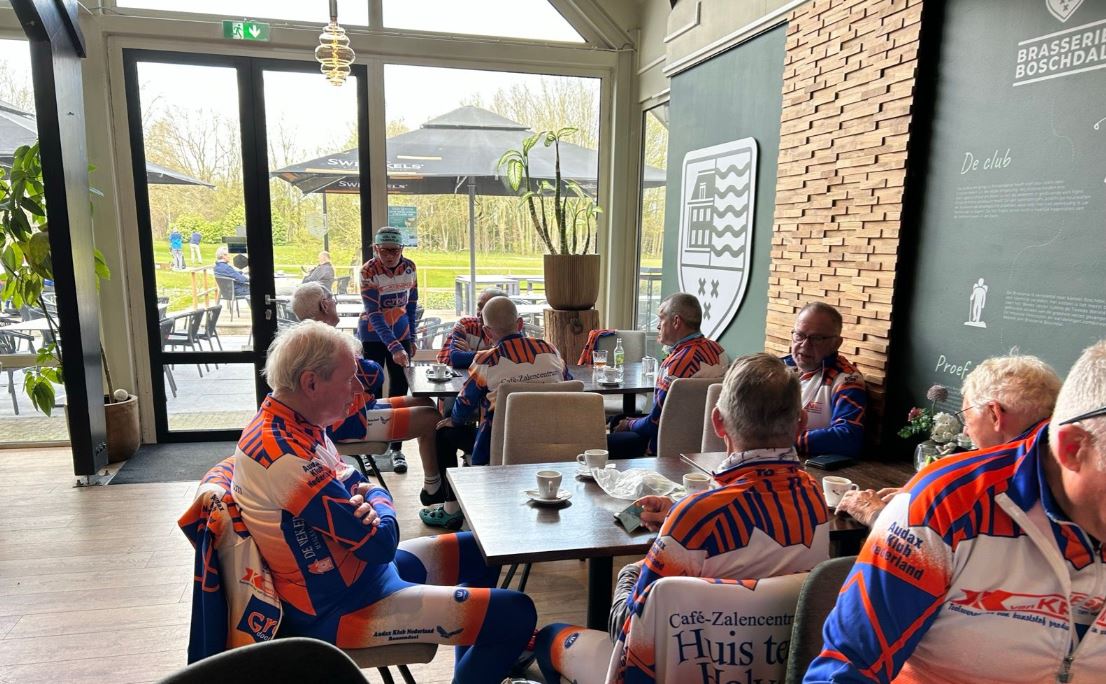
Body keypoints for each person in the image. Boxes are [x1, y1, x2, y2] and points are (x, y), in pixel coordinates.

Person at [231, 321, 537, 684]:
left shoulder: (295, 424)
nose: (358, 389)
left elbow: (354, 482)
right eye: (349, 379)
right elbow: (379, 543)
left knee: (483, 550)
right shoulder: (285, 457)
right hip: (343, 608)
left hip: (363, 577)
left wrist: (370, 497)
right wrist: (380, 497)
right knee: (515, 613)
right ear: (311, 383)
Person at [805, 339, 1106, 684]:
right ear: (1073, 448)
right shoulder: (945, 502)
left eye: (967, 416)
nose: (964, 430)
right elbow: (849, 666)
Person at [535, 353, 831, 683]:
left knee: (549, 637)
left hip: (679, 672)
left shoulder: (696, 517)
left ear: (718, 422)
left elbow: (625, 626)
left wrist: (633, 569)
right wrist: (681, 515)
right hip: (776, 669)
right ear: (801, 422)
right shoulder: (814, 498)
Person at [837, 354, 1062, 525]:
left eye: (967, 418)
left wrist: (874, 512)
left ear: (994, 414)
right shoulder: (1068, 461)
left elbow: (903, 544)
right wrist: (918, 498)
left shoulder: (955, 480)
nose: (965, 431)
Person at [421, 296, 571, 529]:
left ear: (486, 332)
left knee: (444, 433)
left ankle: (451, 510)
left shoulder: (487, 361)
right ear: (520, 324)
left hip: (501, 447)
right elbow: (568, 384)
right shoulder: (550, 350)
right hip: (554, 443)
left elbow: (464, 403)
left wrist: (455, 420)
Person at [293, 283, 446, 506]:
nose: (335, 303)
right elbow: (375, 377)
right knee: (432, 418)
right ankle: (435, 488)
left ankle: (435, 486)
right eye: (332, 299)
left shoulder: (307, 338)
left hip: (350, 413)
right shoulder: (326, 341)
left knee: (424, 401)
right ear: (325, 305)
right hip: (347, 421)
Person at [608, 292, 728, 459]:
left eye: (661, 318)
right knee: (618, 419)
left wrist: (628, 424)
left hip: (662, 444)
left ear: (676, 321)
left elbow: (654, 423)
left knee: (605, 440)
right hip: (701, 439)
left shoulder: (676, 364)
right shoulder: (718, 351)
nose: (658, 326)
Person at [359, 227, 418, 473]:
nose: (391, 256)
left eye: (395, 250)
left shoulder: (410, 267)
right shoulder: (368, 271)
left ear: (402, 249)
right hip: (373, 335)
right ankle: (366, 447)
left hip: (401, 332)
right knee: (370, 389)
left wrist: (411, 337)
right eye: (385, 251)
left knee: (399, 389)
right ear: (376, 249)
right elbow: (374, 313)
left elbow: (412, 304)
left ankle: (396, 449)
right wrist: (393, 346)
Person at [783, 302, 867, 458]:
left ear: (836, 343)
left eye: (816, 338)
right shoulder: (776, 368)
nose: (805, 345)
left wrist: (780, 439)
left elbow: (848, 437)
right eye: (799, 335)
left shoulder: (846, 379)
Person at [437, 287, 508, 368]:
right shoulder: (465, 325)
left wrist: (469, 353)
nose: (480, 313)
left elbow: (509, 360)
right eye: (480, 307)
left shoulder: (509, 329)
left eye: (487, 308)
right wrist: (486, 353)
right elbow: (450, 360)